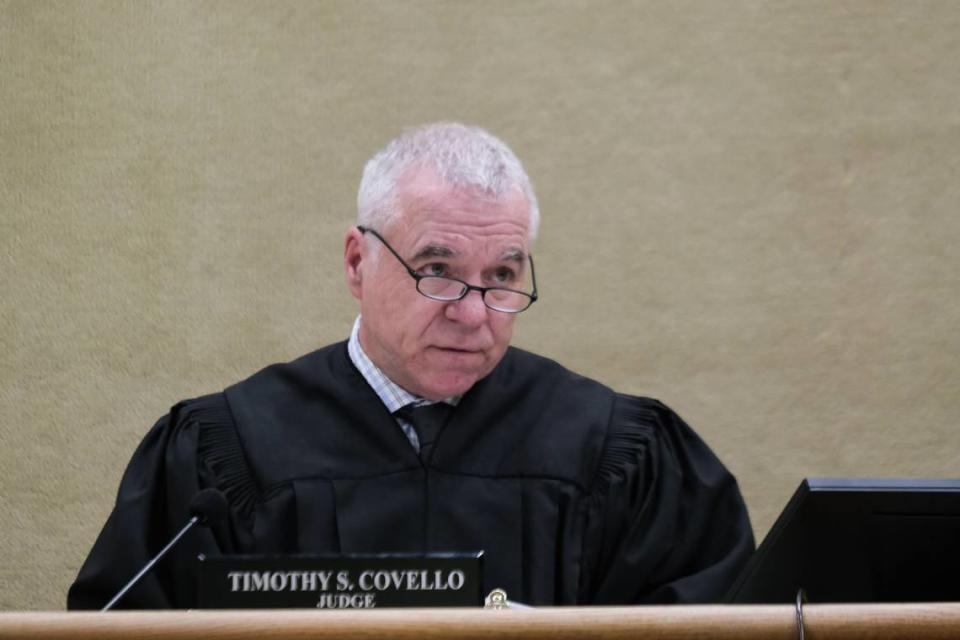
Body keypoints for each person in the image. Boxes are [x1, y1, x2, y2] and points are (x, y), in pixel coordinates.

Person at [68, 122, 753, 609]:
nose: (474, 313)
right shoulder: (228, 452)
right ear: (357, 262)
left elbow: (715, 621)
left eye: (503, 274)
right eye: (437, 270)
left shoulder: (615, 452)